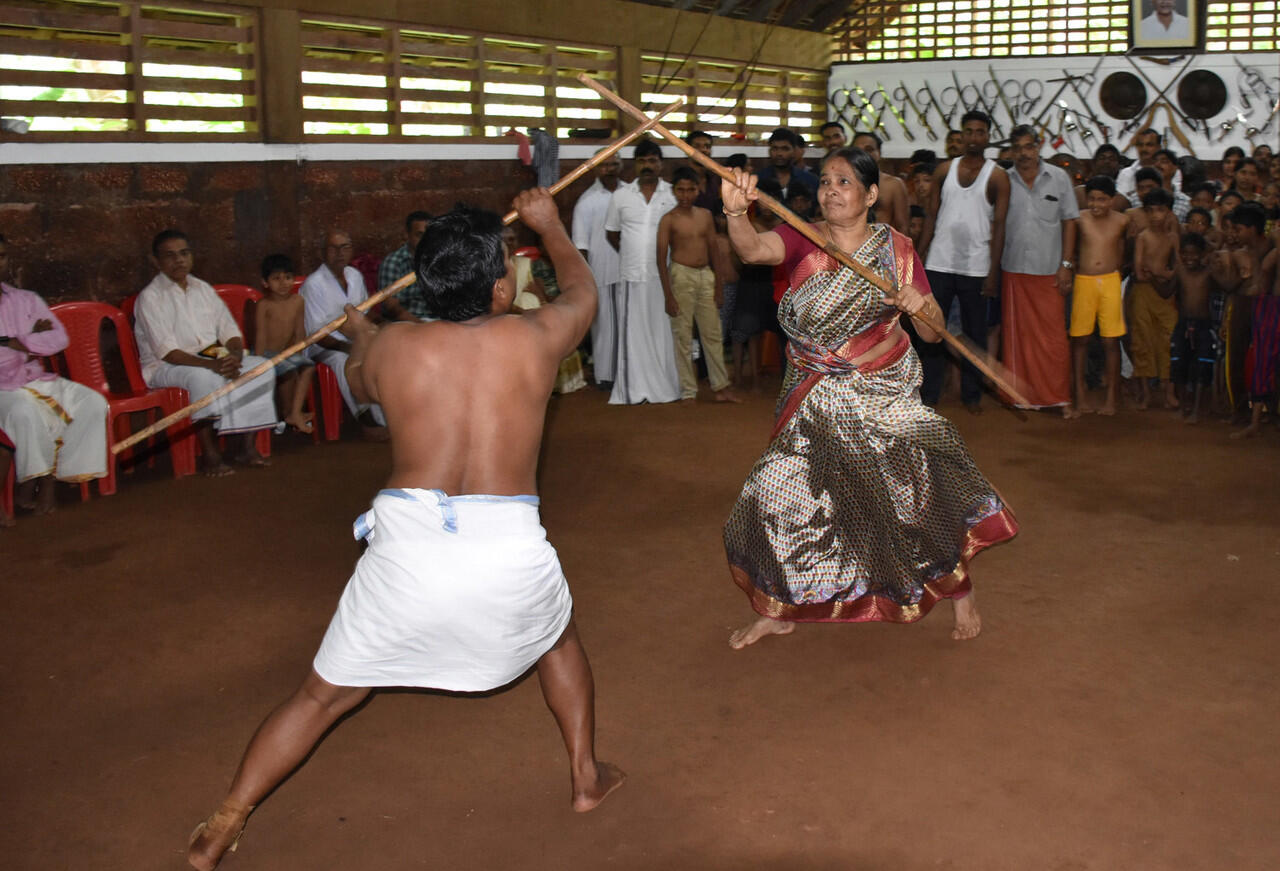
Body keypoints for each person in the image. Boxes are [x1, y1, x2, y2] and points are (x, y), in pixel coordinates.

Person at [185, 191, 624, 871]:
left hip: (408, 548)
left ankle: (225, 818)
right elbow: (583, 290)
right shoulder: (536, 337)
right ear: (501, 285)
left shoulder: (393, 347)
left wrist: (363, 333)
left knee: (321, 694)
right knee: (558, 641)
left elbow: (362, 385)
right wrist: (550, 226)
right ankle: (585, 777)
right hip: (507, 551)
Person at [716, 146, 1018, 649]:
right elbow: (753, 251)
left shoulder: (897, 251)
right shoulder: (801, 237)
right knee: (773, 499)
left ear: (870, 194)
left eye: (844, 182)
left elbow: (934, 333)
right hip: (812, 398)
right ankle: (777, 607)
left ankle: (959, 590)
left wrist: (919, 305)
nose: (831, 190)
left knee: (912, 506)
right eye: (825, 182)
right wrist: (734, 212)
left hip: (881, 395)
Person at [134, 229, 276, 476]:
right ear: (155, 261)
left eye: (184, 253)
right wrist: (214, 366)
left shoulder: (203, 289)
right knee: (203, 379)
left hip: (212, 354)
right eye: (170, 256)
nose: (179, 260)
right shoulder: (150, 297)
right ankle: (210, 454)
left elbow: (229, 330)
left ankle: (246, 447)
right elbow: (168, 352)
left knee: (261, 367)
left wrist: (234, 358)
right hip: (167, 365)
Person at [0, 234, 108, 523]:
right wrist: (31, 337)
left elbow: (59, 338)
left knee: (93, 403)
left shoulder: (26, 300)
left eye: (1, 256)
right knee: (25, 411)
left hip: (36, 378)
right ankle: (40, 482)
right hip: (2, 387)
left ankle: (58, 477)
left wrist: (17, 341)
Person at [918, 110, 1011, 413]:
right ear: (961, 135)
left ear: (988, 137)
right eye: (968, 131)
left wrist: (993, 272)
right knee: (932, 330)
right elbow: (930, 216)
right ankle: (929, 392)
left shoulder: (997, 176)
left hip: (976, 265)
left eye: (980, 132)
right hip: (939, 262)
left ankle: (972, 395)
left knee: (975, 334)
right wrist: (919, 259)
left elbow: (1000, 228)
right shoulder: (944, 170)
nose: (973, 137)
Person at [999, 125, 1080, 416]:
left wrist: (1067, 265)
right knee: (1018, 341)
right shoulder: (1002, 180)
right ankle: (1022, 398)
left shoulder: (1059, 178)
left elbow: (1070, 220)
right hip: (1013, 269)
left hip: (1049, 271)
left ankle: (1059, 398)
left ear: (1038, 147)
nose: (1024, 153)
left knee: (1054, 339)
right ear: (1011, 150)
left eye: (1029, 147)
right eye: (1017, 148)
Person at [604, 139, 680, 405]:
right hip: (632, 274)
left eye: (652, 160)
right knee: (633, 334)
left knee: (663, 333)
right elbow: (612, 234)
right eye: (642, 161)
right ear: (634, 164)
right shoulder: (621, 195)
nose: (647, 166)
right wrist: (631, 252)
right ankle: (633, 390)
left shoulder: (673, 194)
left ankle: (666, 389)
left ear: (660, 164)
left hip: (666, 278)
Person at [657, 167, 738, 403]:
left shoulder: (704, 215)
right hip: (681, 275)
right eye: (680, 190)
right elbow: (661, 258)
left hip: (706, 275)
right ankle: (688, 390)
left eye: (690, 190)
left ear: (697, 190)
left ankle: (720, 386)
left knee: (712, 333)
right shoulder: (668, 219)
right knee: (682, 335)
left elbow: (714, 249)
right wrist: (668, 295)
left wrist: (719, 286)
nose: (685, 195)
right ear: (673, 191)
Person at [301, 229, 387, 438]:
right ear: (323, 252)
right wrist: (350, 348)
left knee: (382, 352)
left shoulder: (355, 276)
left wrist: (382, 328)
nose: (339, 253)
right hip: (324, 346)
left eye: (345, 247)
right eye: (333, 248)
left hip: (357, 339)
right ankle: (365, 421)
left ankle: (385, 418)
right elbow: (316, 333)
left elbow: (364, 313)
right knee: (343, 360)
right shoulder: (313, 284)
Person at [1219, 204, 1279, 436]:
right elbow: (1230, 288)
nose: (1234, 233)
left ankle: (1272, 410)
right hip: (1244, 304)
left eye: (1239, 228)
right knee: (1237, 357)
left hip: (1269, 304)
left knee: (1269, 360)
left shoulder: (1273, 243)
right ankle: (1240, 410)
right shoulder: (1237, 253)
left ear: (1253, 228)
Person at [1072, 176, 1129, 415]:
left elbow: (1124, 250)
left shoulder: (1123, 221)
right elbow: (1071, 248)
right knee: (1080, 339)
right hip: (1083, 281)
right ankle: (1081, 395)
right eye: (1092, 199)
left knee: (1110, 341)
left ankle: (1111, 399)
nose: (1096, 204)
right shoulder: (1079, 219)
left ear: (1113, 200)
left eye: (1102, 199)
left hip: (1110, 282)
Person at [571, 149, 623, 387]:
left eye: (614, 164)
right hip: (600, 271)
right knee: (604, 328)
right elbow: (580, 245)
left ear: (621, 165)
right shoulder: (587, 201)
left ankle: (625, 373)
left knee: (627, 324)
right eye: (604, 165)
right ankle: (605, 376)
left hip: (629, 270)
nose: (609, 169)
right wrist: (585, 279)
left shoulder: (630, 193)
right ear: (595, 168)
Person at [1131, 188, 1181, 409]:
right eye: (1150, 211)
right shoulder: (1142, 237)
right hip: (1142, 294)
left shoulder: (1173, 238)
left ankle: (1168, 392)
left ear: (1169, 212)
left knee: (1169, 339)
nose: (1155, 215)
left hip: (1166, 295)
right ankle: (1145, 393)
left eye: (1160, 210)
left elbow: (1178, 269)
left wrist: (1158, 273)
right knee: (1142, 341)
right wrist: (1162, 274)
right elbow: (1139, 272)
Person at [254, 254, 316, 434]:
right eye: (276, 278)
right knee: (290, 371)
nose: (283, 283)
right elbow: (260, 336)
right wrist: (259, 365)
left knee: (303, 367)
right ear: (265, 282)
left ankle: (292, 414)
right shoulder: (264, 305)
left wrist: (296, 354)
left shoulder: (298, 301)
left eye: (288, 277)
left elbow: (299, 333)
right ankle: (290, 414)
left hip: (286, 353)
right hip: (265, 354)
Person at [1168, 233, 1216, 423]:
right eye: (1185, 254)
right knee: (1179, 364)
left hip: (1204, 325)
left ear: (1202, 254)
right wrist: (1153, 277)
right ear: (1180, 254)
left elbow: (1227, 286)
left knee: (1202, 366)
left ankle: (1196, 409)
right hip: (1182, 324)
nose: (1190, 258)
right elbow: (1167, 292)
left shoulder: (1209, 272)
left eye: (1194, 254)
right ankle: (1184, 406)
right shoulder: (1179, 271)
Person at [377, 210, 434, 322]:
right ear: (407, 235)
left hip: (439, 323)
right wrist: (423, 326)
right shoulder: (394, 263)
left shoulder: (438, 260)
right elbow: (392, 309)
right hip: (408, 325)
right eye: (420, 235)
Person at [851, 131, 909, 233]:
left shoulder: (894, 185)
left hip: (883, 245)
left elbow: (903, 226)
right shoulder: (843, 184)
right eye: (858, 150)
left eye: (869, 149)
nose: (864, 154)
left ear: (879, 153)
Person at [756, 128, 819, 202]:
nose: (779, 153)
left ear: (794, 151)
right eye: (775, 148)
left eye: (785, 149)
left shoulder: (810, 180)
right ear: (769, 151)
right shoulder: (758, 180)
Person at [1116, 129, 1182, 200]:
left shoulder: (1171, 171)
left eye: (1149, 145)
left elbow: (1176, 197)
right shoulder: (1126, 173)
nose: (1144, 149)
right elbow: (1121, 200)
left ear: (1159, 147)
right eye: (1140, 145)